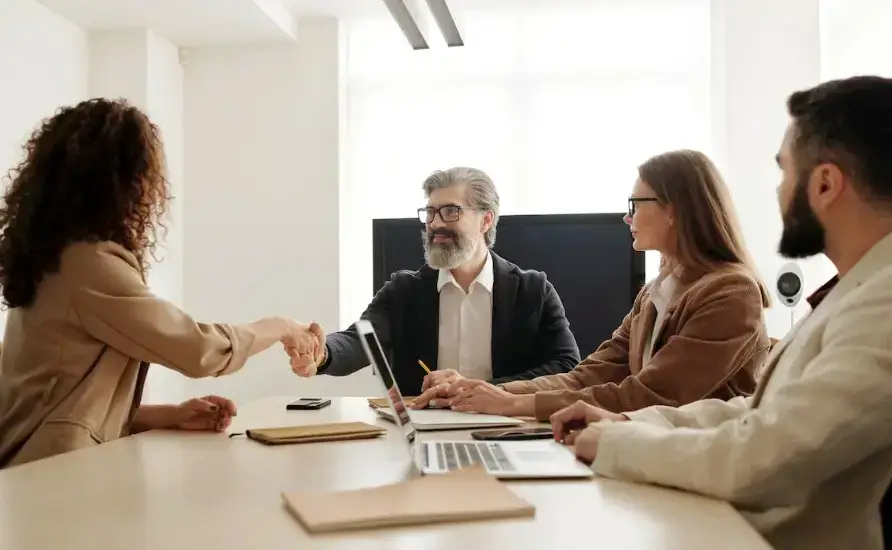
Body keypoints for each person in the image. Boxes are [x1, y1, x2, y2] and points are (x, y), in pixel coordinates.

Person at [549, 75, 892, 550]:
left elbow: (768, 457)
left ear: (826, 183)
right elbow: (755, 413)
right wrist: (630, 425)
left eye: (784, 172)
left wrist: (617, 444)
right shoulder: (855, 292)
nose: (778, 192)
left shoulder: (882, 305)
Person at [0, 98, 323, 468]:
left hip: (35, 472)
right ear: (123, 180)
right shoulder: (88, 265)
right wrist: (281, 327)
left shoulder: (51, 258)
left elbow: (57, 399)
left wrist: (169, 415)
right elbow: (197, 349)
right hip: (51, 478)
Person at [414, 150, 771, 421]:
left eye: (635, 203)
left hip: (700, 470)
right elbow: (587, 375)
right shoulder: (655, 293)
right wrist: (486, 392)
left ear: (673, 210)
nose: (627, 216)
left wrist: (515, 403)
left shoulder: (731, 293)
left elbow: (652, 394)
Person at [301, 167, 580, 396]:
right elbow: (359, 342)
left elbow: (567, 366)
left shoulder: (533, 291)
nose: (435, 224)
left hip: (507, 426)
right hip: (426, 425)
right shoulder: (404, 291)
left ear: (485, 220)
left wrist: (482, 390)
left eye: (450, 211)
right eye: (431, 213)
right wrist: (322, 352)